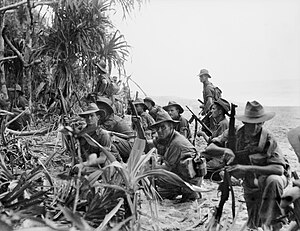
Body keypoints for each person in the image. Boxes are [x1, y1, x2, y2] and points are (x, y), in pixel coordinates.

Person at [205, 100, 289, 230]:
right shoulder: (235, 133)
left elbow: (278, 169)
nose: (255, 128)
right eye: (251, 124)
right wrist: (225, 150)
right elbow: (209, 148)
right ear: (244, 122)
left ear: (263, 122)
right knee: (254, 223)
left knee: (274, 181)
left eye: (259, 124)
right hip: (251, 181)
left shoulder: (268, 138)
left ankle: (273, 225)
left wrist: (245, 168)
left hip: (270, 177)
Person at [147, 110, 202, 202]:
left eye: (163, 127)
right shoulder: (169, 136)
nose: (159, 131)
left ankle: (184, 192)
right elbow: (152, 143)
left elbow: (166, 170)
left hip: (189, 182)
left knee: (155, 178)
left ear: (171, 127)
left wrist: (149, 169)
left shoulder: (176, 143)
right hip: (184, 176)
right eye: (157, 128)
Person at [74, 103, 120, 170]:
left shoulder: (103, 135)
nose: (89, 118)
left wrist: (82, 165)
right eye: (87, 116)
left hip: (101, 166)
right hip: (87, 163)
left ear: (98, 117)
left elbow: (102, 159)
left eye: (92, 116)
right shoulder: (82, 132)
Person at [96, 96, 134, 162]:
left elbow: (98, 130)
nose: (99, 111)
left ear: (107, 110)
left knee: (108, 137)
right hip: (123, 143)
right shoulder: (104, 118)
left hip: (130, 146)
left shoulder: (111, 120)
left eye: (102, 109)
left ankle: (117, 160)